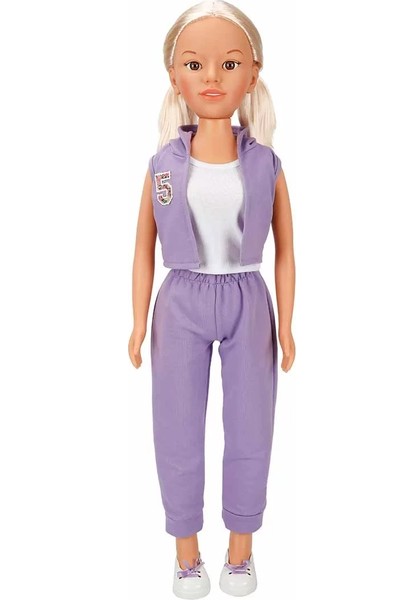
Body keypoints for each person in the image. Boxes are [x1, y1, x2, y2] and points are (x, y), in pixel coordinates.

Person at [128, 1, 296, 597]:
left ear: (253, 72)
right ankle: (186, 553)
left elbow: (286, 250)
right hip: (180, 300)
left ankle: (241, 551)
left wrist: (287, 325)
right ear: (175, 76)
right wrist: (137, 323)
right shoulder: (163, 167)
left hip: (248, 295)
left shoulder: (266, 163)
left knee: (252, 426)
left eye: (229, 63)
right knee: (176, 427)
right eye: (195, 64)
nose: (212, 77)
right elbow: (143, 246)